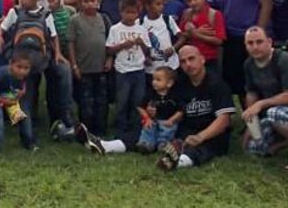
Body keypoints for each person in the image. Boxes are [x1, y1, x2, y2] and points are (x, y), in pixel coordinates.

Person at [87, 46, 235, 172]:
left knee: (203, 146)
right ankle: (107, 146)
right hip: (184, 128)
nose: (188, 64)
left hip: (210, 132)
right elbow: (168, 104)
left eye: (192, 59)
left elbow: (224, 120)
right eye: (183, 61)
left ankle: (177, 162)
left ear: (202, 59)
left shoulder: (217, 84)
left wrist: (201, 137)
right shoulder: (180, 83)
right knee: (148, 128)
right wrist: (155, 111)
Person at [0, 0, 76, 137]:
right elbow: (3, 27)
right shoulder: (15, 12)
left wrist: (58, 54)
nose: (21, 0)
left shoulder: (46, 14)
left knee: (58, 77)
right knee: (26, 95)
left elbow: (53, 36)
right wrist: (0, 36)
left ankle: (63, 118)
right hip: (22, 61)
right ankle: (27, 127)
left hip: (40, 58)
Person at [240, 27, 288, 170]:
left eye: (259, 42)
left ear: (269, 42)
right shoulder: (249, 64)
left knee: (275, 113)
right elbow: (251, 93)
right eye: (250, 43)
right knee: (255, 148)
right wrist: (251, 123)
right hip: (270, 111)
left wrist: (260, 104)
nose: (255, 47)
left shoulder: (285, 60)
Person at [213, 0, 273, 104]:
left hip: (251, 37)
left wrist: (259, 32)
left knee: (257, 82)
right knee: (239, 84)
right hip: (230, 39)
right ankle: (249, 121)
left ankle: (264, 117)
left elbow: (266, 2)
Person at [69, 0, 112, 136]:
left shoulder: (104, 19)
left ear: (98, 2)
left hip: (101, 68)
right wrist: (74, 65)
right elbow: (71, 44)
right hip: (83, 68)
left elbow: (110, 42)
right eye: (85, 1)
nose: (89, 4)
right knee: (85, 102)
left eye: (92, 1)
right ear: (80, 3)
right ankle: (85, 131)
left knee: (101, 101)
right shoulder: (75, 20)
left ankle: (101, 129)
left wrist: (109, 58)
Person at [106, 0, 152, 135]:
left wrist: (141, 43)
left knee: (137, 101)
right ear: (121, 12)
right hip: (123, 70)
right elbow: (109, 49)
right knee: (122, 100)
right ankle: (121, 128)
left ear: (138, 13)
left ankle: (135, 128)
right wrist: (122, 45)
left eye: (133, 12)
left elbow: (148, 50)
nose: (130, 16)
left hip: (138, 70)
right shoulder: (115, 29)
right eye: (127, 12)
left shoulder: (141, 29)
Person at [0, 52, 38, 158]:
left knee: (23, 114)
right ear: (11, 64)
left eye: (26, 68)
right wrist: (3, 101)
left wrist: (22, 91)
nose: (22, 71)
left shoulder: (24, 75)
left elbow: (22, 84)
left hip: (9, 96)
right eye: (19, 67)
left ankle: (28, 142)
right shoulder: (2, 74)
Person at [177, 0, 226, 74]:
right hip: (190, 60)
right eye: (189, 1)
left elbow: (219, 40)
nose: (193, 3)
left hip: (209, 59)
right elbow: (180, 34)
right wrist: (193, 32)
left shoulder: (214, 14)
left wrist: (196, 35)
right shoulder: (186, 14)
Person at [135, 67, 182, 153]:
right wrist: (147, 118)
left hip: (167, 121)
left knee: (168, 130)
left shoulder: (174, 96)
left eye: (158, 80)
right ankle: (146, 144)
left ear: (169, 83)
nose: (154, 82)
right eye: (153, 79)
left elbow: (181, 111)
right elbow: (140, 107)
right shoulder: (150, 94)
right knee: (148, 128)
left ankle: (163, 144)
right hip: (153, 120)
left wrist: (172, 120)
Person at [139, 0, 182, 83]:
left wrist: (173, 49)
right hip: (152, 69)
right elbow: (139, 44)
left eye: (162, 4)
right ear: (147, 6)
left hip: (170, 65)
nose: (161, 7)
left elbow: (181, 38)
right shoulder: (140, 23)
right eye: (158, 4)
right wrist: (144, 57)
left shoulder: (167, 19)